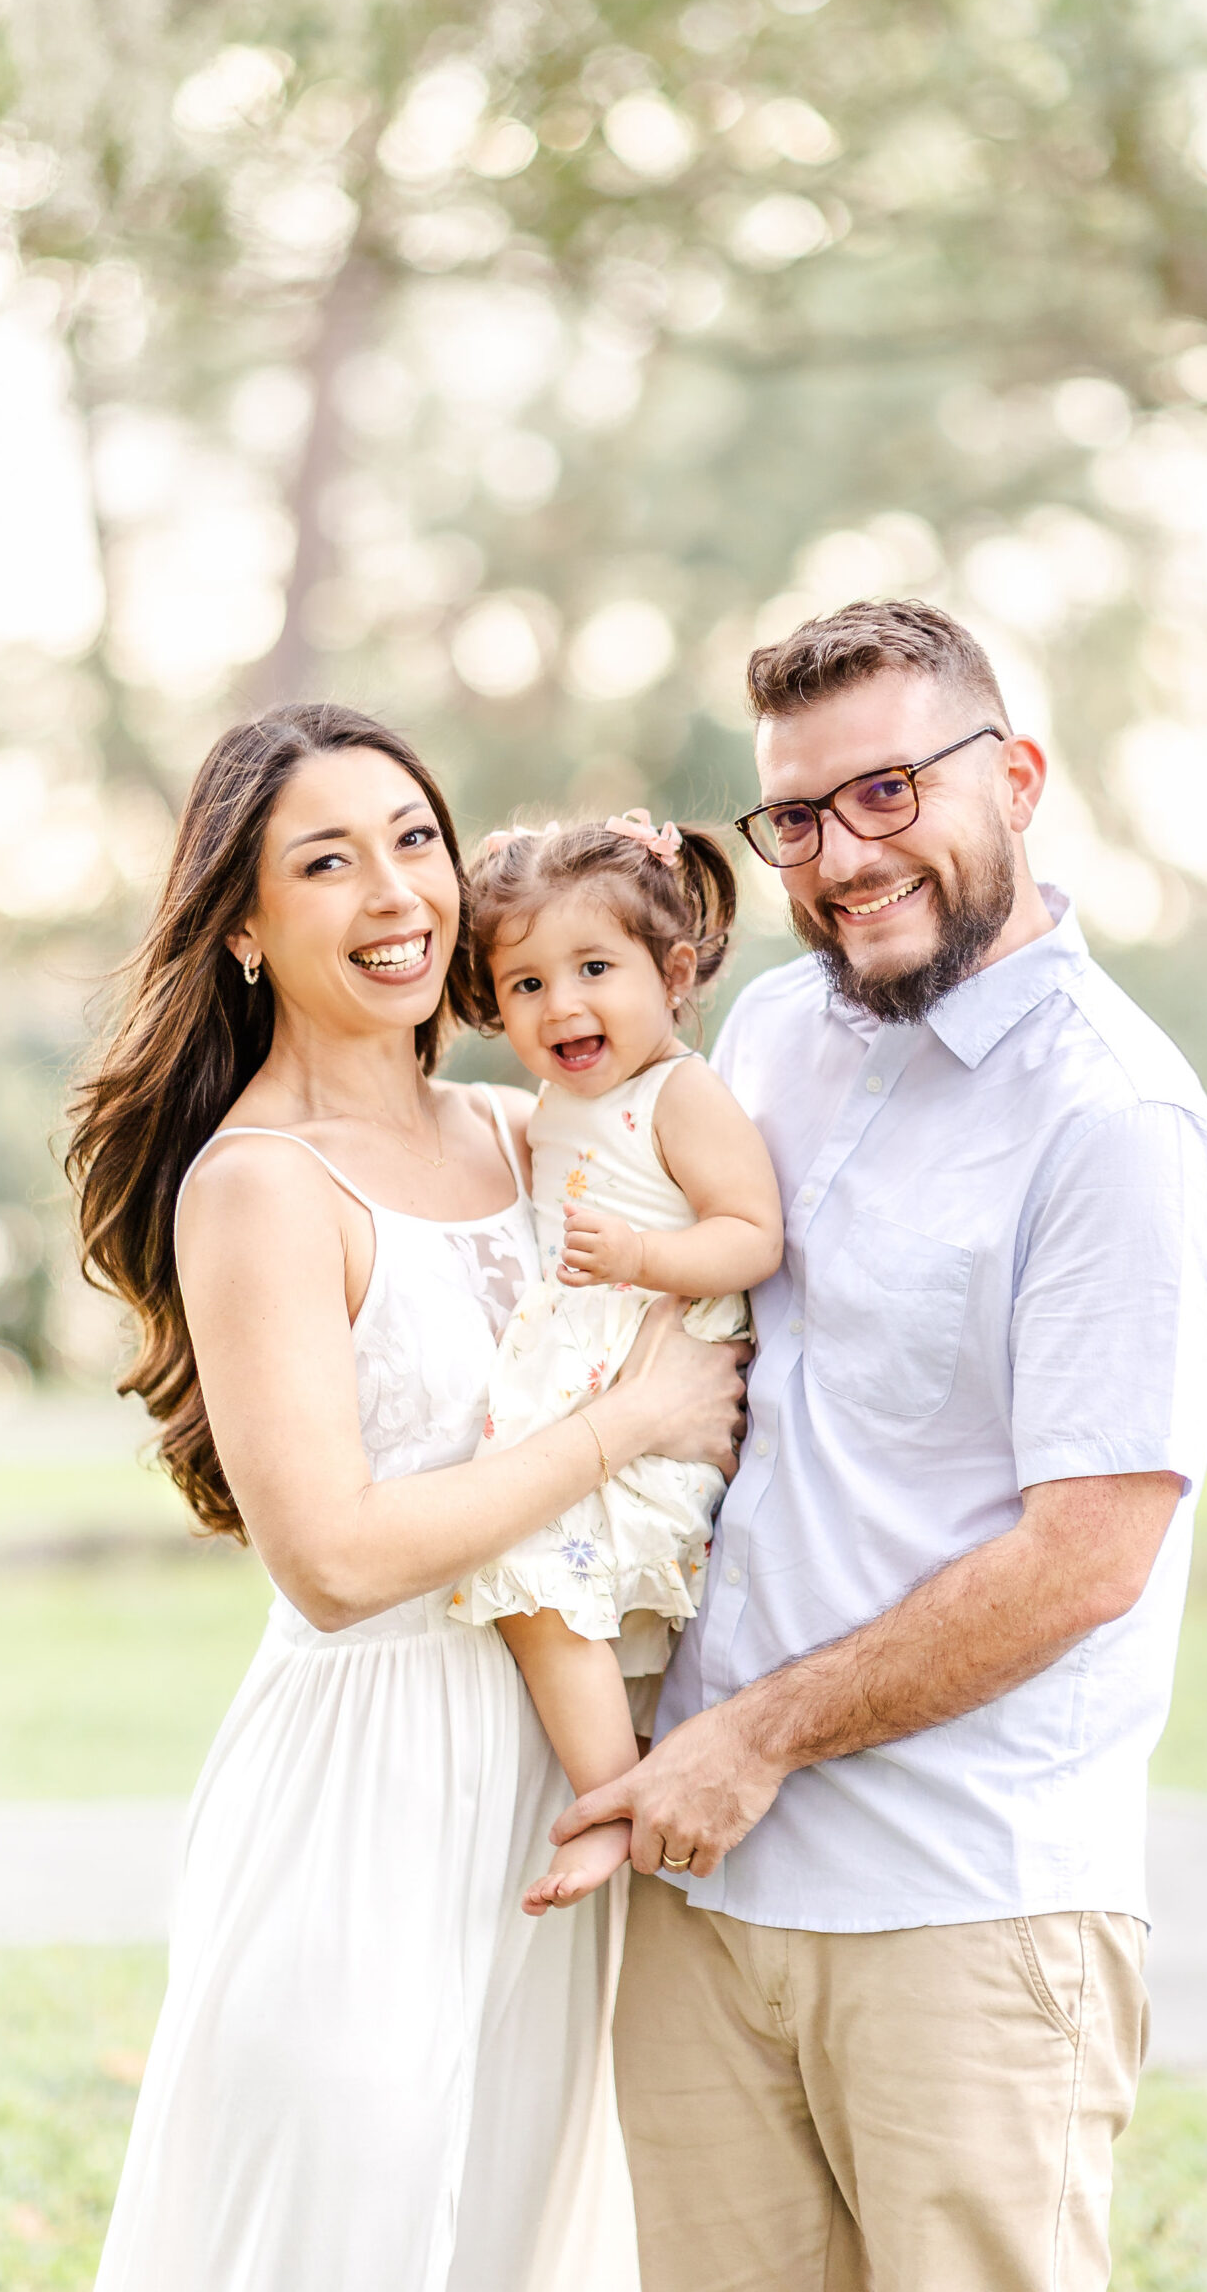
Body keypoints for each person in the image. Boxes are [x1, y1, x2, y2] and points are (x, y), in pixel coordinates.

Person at [552, 602, 1207, 2292]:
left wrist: (752, 1740)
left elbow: (1089, 1554)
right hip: (708, 1903)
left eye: (885, 793)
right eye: (792, 816)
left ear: (1012, 777)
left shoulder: (1114, 1126)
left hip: (959, 1907)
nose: (841, 856)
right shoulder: (775, 1034)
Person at [66, 703, 745, 2292]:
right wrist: (625, 1421)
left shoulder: (532, 1131)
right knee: (337, 2234)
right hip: (367, 1783)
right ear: (240, 923)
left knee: (513, 2240)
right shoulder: (257, 1186)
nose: (394, 896)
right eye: (326, 862)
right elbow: (334, 1559)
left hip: (550, 1771)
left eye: (415, 842)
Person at [448, 812, 783, 1915]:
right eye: (527, 983)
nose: (562, 1005)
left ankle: (608, 1808)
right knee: (549, 1603)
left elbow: (752, 1230)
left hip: (655, 1374)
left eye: (594, 968)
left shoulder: (679, 1094)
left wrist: (645, 1252)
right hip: (584, 1384)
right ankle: (620, 1787)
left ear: (674, 971)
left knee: (540, 1589)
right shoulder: (552, 1106)